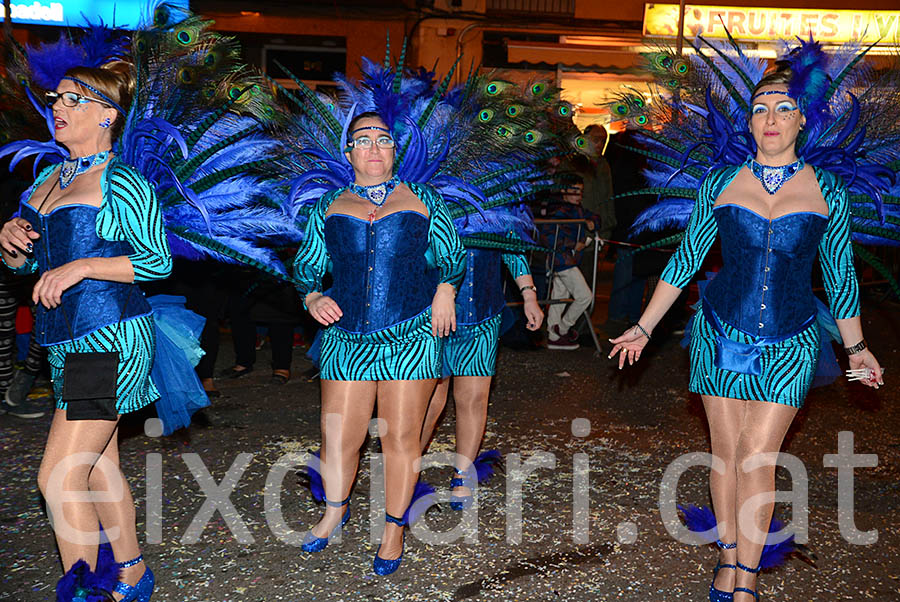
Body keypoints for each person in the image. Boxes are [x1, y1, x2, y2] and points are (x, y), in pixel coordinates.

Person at [609, 67, 883, 602]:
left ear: (803, 119)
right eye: (760, 109)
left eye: (783, 108)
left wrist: (856, 346)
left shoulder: (828, 189)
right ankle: (730, 555)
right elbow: (686, 258)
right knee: (726, 453)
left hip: (793, 340)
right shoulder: (720, 182)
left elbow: (840, 273)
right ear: (750, 122)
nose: (772, 119)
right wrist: (644, 326)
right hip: (718, 334)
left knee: (758, 454)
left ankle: (746, 586)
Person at [0, 63, 169, 600]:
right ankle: (133, 573)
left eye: (73, 100)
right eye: (56, 98)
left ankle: (84, 592)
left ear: (107, 114)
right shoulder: (47, 180)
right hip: (63, 341)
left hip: (109, 336)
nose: (58, 108)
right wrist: (9, 244)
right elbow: (32, 269)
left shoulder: (122, 181)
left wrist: (83, 267)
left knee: (59, 474)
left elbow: (156, 261)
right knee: (97, 466)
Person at [293, 112, 465, 575]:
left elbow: (452, 256)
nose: (373, 147)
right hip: (346, 339)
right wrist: (311, 296)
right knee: (339, 437)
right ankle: (334, 510)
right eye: (362, 140)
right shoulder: (328, 204)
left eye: (383, 140)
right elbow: (307, 265)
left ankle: (393, 529)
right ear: (348, 152)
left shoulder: (423, 198)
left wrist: (446, 289)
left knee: (401, 440)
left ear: (395, 150)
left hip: (411, 333)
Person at [419, 246, 543, 507]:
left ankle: (462, 475)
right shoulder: (431, 202)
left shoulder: (501, 205)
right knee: (429, 403)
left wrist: (529, 295)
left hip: (484, 316)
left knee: (474, 398)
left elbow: (512, 245)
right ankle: (406, 468)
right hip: (433, 314)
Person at [539, 180, 601, 350]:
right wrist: (573, 244)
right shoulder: (558, 210)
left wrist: (592, 223)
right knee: (585, 296)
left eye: (580, 191)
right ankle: (563, 327)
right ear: (564, 191)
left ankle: (553, 335)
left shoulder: (577, 209)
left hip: (565, 259)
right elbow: (547, 236)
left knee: (559, 296)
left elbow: (597, 217)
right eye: (574, 190)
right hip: (562, 259)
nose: (578, 195)